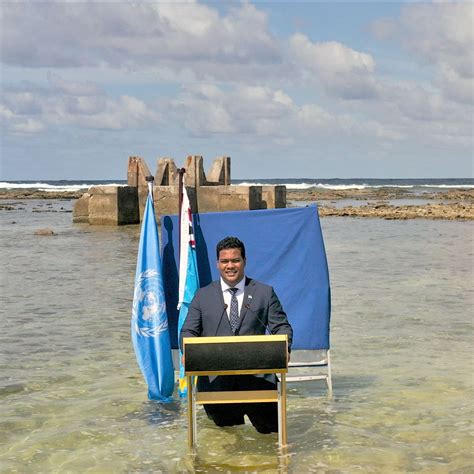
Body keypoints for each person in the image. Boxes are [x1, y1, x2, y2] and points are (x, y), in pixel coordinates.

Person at [180, 236, 293, 434]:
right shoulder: (202, 296)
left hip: (259, 382)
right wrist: (187, 350)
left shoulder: (264, 293)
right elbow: (188, 331)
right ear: (217, 264)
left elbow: (282, 328)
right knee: (228, 442)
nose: (230, 266)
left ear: (244, 261)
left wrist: (285, 348)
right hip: (217, 385)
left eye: (235, 260)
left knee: (271, 439)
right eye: (225, 261)